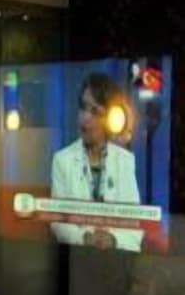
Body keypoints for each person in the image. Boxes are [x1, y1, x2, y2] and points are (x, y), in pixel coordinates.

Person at [50, 72, 143, 253]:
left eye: (94, 111)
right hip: (77, 259)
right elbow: (58, 223)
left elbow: (134, 225)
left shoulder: (124, 161)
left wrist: (113, 240)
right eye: (83, 108)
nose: (85, 117)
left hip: (115, 260)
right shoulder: (62, 161)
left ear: (109, 119)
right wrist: (85, 238)